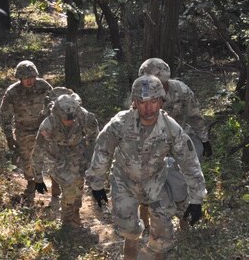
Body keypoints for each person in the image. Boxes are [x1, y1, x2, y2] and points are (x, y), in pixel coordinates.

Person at [85, 75, 207, 259]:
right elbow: (103, 151)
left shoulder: (170, 128)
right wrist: (96, 183)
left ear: (161, 101)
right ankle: (131, 246)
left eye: (153, 101)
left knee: (163, 236)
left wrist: (196, 199)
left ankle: (156, 254)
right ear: (134, 102)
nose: (148, 108)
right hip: (124, 181)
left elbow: (189, 162)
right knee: (127, 228)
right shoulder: (120, 123)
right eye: (142, 102)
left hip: (155, 182)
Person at [138, 57, 212, 229]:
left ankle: (184, 215)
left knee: (184, 172)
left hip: (179, 135)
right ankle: (145, 210)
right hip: (152, 140)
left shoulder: (181, 90)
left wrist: (204, 139)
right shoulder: (140, 95)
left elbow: (195, 115)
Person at [33, 93, 99, 228]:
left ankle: (75, 212)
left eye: (72, 119)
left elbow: (94, 136)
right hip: (56, 155)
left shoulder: (84, 116)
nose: (70, 122)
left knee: (79, 184)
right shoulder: (48, 124)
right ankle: (67, 221)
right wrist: (38, 178)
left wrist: (91, 158)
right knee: (69, 185)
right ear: (57, 115)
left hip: (77, 153)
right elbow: (38, 151)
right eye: (66, 119)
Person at [0, 60, 55, 203]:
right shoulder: (12, 92)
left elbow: (55, 105)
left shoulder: (44, 86)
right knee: (27, 157)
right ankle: (31, 182)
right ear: (20, 78)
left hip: (43, 126)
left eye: (31, 77)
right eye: (25, 78)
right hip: (23, 129)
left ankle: (56, 183)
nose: (29, 81)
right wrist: (9, 137)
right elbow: (5, 115)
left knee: (53, 155)